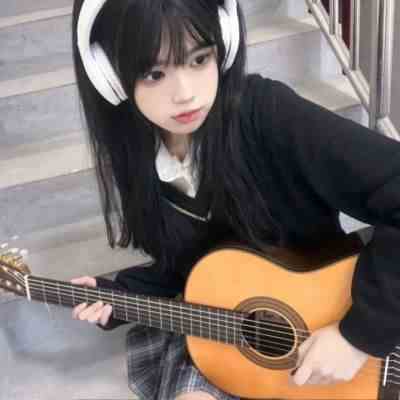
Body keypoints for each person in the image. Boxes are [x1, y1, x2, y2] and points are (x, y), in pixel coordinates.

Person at [69, 0, 400, 399]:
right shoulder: (138, 155)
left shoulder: (267, 113)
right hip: (229, 328)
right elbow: (190, 263)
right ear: (110, 77)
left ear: (223, 44)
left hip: (335, 320)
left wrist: (358, 336)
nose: (185, 94)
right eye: (154, 74)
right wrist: (122, 294)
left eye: (199, 59)